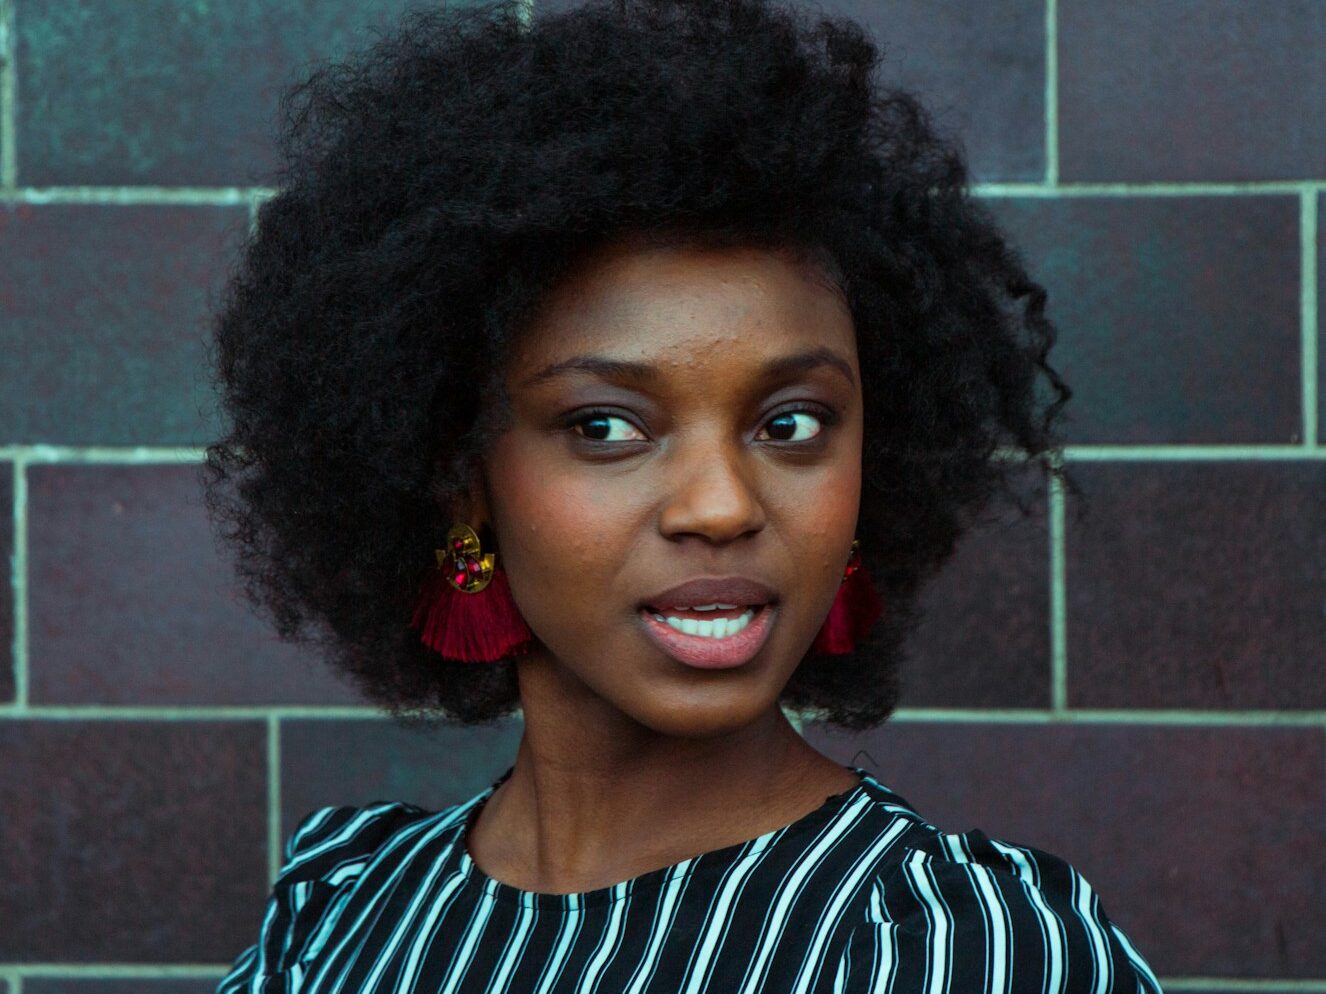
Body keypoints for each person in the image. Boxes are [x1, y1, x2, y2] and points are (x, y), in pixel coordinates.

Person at [204, 0, 1163, 990]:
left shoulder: (957, 950)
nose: (720, 505)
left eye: (791, 424)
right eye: (606, 426)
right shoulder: (345, 909)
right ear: (459, 475)